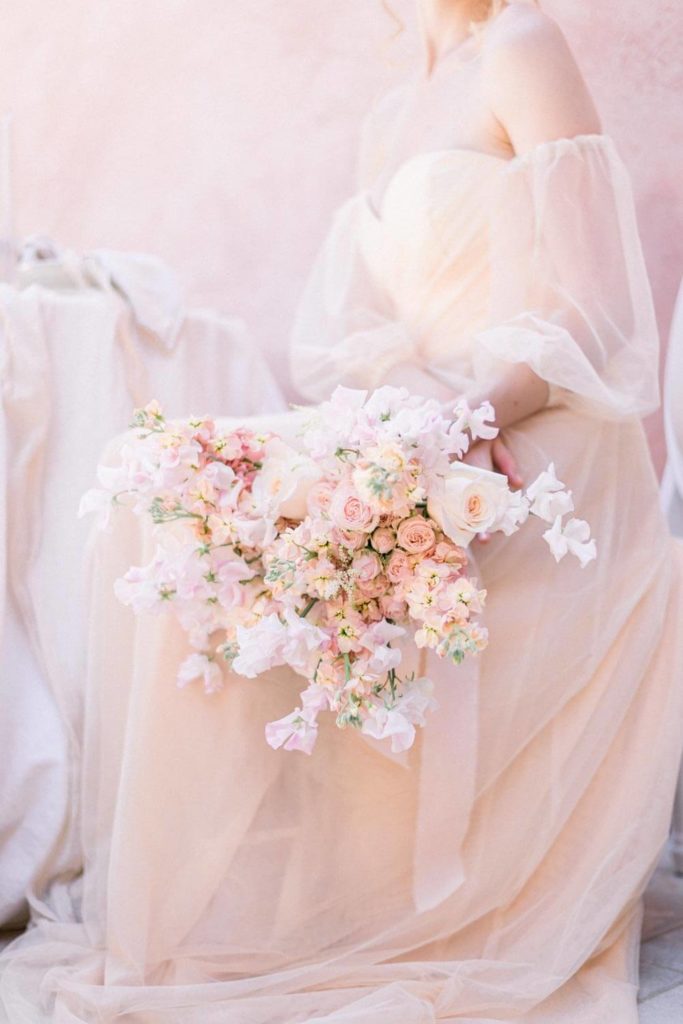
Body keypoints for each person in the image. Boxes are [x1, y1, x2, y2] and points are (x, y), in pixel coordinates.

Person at [2, 1, 682, 1021]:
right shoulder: (394, 109)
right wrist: (402, 427)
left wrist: (467, 420)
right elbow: (360, 334)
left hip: (543, 441)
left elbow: (595, 306)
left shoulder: (521, 43)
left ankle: (445, 893)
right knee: (177, 488)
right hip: (428, 426)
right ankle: (252, 894)